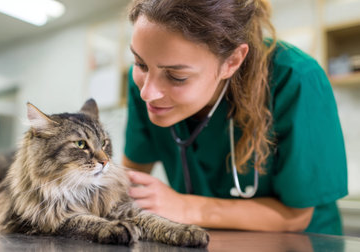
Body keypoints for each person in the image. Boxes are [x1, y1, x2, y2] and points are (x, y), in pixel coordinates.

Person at [122, 0, 348, 235]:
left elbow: (295, 217)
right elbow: (129, 182)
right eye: (140, 63)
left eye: (176, 76)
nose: (147, 92)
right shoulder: (143, 83)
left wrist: (185, 207)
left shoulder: (296, 78)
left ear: (231, 61)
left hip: (299, 242)